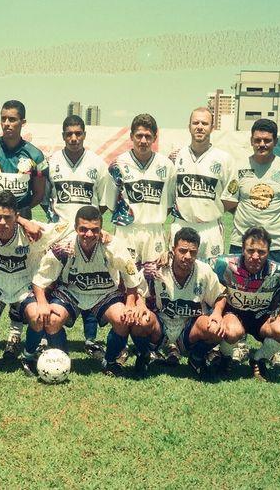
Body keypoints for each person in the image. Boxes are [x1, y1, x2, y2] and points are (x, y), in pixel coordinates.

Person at [221, 118, 280, 371]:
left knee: (275, 294)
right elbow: (228, 201)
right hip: (241, 242)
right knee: (237, 293)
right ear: (251, 140)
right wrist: (251, 223)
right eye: (257, 140)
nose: (262, 144)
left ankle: (271, 349)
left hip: (277, 243)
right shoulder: (240, 169)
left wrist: (279, 220)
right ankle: (240, 343)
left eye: (267, 140)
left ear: (275, 142)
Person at [21, 205, 143, 376]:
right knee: (51, 320)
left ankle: (110, 361)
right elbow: (40, 280)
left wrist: (130, 303)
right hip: (72, 292)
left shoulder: (113, 246)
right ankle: (62, 360)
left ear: (101, 229)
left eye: (94, 230)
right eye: (83, 229)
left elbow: (131, 277)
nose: (89, 234)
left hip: (104, 292)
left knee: (122, 319)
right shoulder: (64, 248)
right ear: (76, 228)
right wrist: (41, 302)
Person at [0, 100, 49, 359]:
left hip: (21, 221)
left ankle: (16, 333)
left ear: (22, 123)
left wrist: (20, 217)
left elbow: (39, 194)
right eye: (4, 118)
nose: (7, 123)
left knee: (20, 273)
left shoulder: (35, 156)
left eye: (13, 119)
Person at [163, 106, 236, 365]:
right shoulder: (175, 157)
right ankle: (171, 339)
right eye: (196, 122)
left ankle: (208, 339)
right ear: (189, 125)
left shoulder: (224, 159)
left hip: (209, 228)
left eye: (205, 123)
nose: (200, 127)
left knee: (211, 282)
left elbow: (230, 197)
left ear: (212, 127)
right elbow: (168, 194)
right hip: (181, 224)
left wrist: (208, 211)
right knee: (173, 279)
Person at [0, 191, 69, 371]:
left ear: (16, 216)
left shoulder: (33, 232)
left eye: (8, 217)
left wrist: (104, 235)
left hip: (23, 284)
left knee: (38, 317)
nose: (2, 223)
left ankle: (28, 356)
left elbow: (67, 228)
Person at [43, 115, 116, 359]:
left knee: (90, 278)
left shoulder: (97, 163)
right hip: (61, 232)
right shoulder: (52, 162)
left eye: (78, 133)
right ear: (63, 135)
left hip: (88, 232)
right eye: (69, 134)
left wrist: (89, 226)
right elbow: (46, 197)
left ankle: (91, 339)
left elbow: (104, 203)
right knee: (57, 281)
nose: (73, 138)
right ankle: (48, 334)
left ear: (84, 134)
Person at [126, 228, 227, 378]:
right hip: (161, 325)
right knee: (139, 320)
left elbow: (220, 295)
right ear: (173, 250)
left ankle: (196, 358)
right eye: (183, 250)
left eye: (192, 252)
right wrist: (140, 305)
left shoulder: (204, 271)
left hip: (189, 328)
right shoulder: (157, 268)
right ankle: (144, 355)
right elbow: (138, 289)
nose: (187, 256)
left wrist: (218, 313)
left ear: (197, 252)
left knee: (215, 328)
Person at [212, 226, 280, 381]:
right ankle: (225, 358)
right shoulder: (224, 264)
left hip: (262, 316)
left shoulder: (278, 271)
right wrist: (169, 255)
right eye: (250, 250)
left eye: (262, 252)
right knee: (231, 332)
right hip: (234, 314)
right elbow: (197, 265)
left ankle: (259, 358)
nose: (255, 256)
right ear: (242, 249)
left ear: (269, 252)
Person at [109, 113, 176, 270]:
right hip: (126, 230)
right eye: (139, 135)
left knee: (155, 279)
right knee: (125, 279)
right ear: (131, 136)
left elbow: (169, 203)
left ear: (155, 138)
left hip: (155, 231)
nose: (143, 141)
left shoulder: (166, 165)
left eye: (148, 136)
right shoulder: (118, 164)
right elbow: (112, 203)